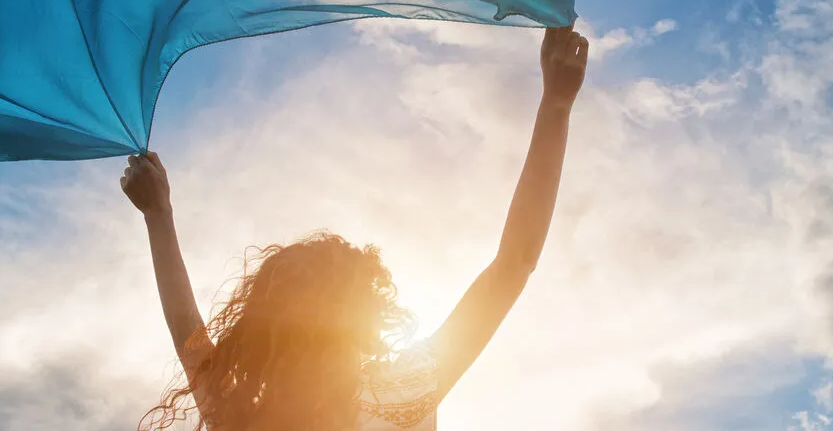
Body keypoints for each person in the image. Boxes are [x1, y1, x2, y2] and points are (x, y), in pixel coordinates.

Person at [121, 26, 589, 430]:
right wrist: (556, 106)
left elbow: (188, 333)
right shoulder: (403, 396)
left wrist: (159, 217)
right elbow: (514, 265)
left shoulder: (240, 413)